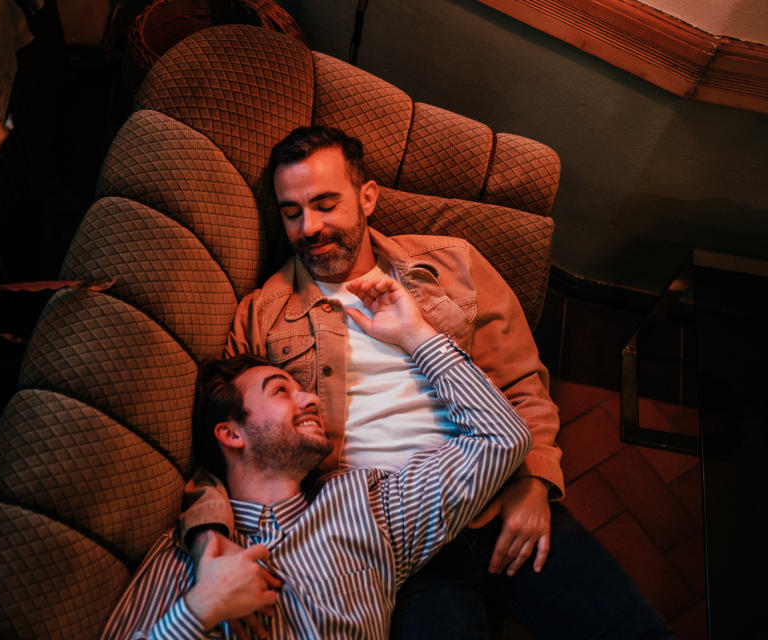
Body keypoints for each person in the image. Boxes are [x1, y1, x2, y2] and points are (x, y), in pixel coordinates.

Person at [182, 126, 673, 639]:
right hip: (391, 544)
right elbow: (229, 450)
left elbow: (522, 383)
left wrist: (534, 482)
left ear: (366, 197)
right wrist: (208, 539)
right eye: (291, 212)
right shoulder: (262, 314)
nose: (309, 227)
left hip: (497, 494)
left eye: (326, 204)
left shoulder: (452, 264)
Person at [101, 274, 532, 639]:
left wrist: (416, 336)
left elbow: (501, 437)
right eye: (281, 390)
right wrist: (197, 611)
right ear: (231, 433)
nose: (309, 398)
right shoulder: (189, 556)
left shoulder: (366, 506)